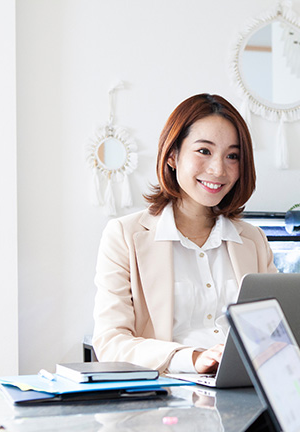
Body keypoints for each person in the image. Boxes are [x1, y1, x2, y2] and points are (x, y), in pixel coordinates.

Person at [92, 93, 277, 374]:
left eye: (232, 156)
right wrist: (191, 358)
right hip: (167, 396)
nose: (218, 169)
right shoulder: (125, 236)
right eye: (204, 151)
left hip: (246, 388)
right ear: (172, 156)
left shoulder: (253, 240)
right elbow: (110, 343)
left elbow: (276, 332)